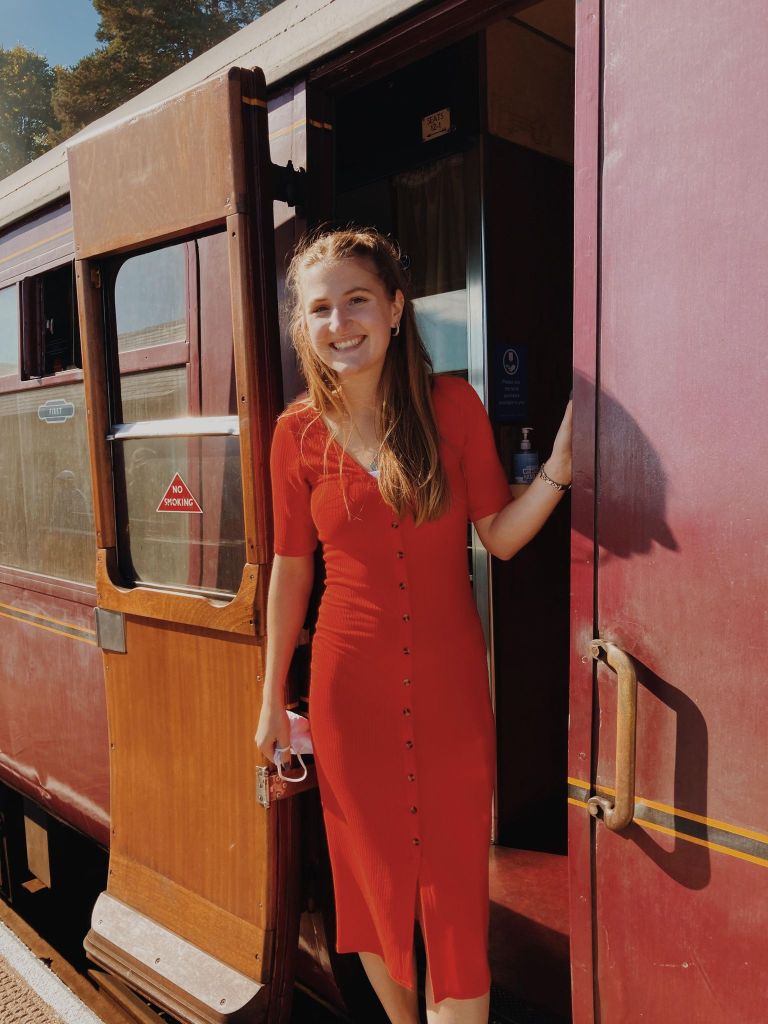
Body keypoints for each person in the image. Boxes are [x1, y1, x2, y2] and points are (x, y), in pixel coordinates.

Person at [256, 228, 572, 1024]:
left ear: (396, 308)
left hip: (450, 690)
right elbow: (291, 570)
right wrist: (271, 701)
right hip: (347, 691)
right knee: (369, 879)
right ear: (304, 325)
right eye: (320, 308)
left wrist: (560, 471)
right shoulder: (294, 434)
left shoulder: (454, 407)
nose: (339, 323)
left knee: (454, 883)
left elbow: (499, 536)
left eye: (357, 299)